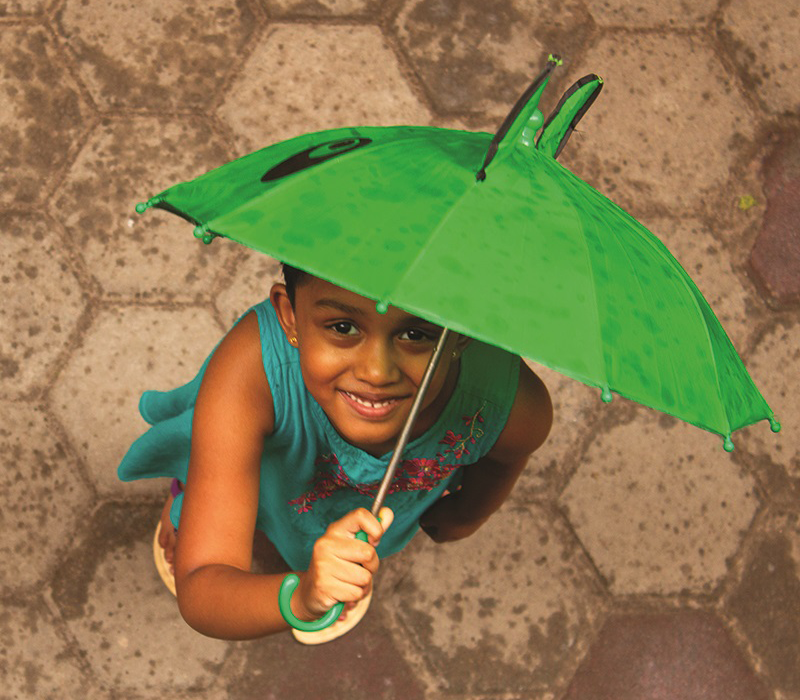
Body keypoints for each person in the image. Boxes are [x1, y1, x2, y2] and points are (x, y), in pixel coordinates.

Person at [118, 264, 552, 643]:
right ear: (289, 315)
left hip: (370, 503)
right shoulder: (250, 370)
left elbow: (509, 456)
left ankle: (335, 565)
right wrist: (302, 597)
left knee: (334, 562)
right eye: (343, 327)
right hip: (264, 468)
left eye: (416, 334)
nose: (376, 372)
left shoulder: (510, 405)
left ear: (460, 334)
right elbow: (201, 588)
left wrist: (469, 513)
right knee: (213, 469)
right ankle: (189, 496)